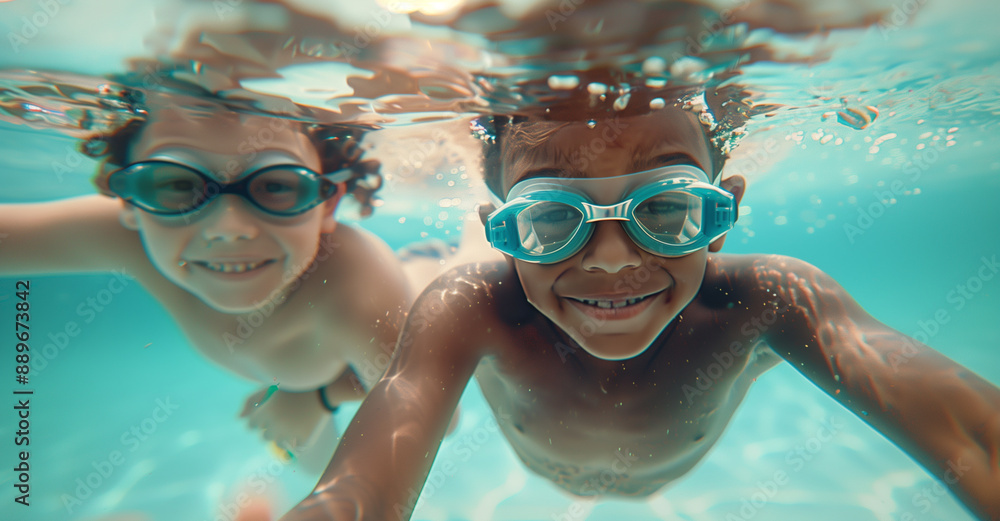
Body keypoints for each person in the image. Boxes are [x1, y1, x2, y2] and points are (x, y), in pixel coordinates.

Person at [276, 92, 1000, 520]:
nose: (614, 258)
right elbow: (376, 461)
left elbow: (974, 434)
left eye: (667, 209)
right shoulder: (475, 306)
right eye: (550, 219)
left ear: (726, 213)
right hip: (484, 275)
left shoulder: (765, 300)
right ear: (508, 228)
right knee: (429, 287)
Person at [0, 90, 410, 456]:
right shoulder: (131, 233)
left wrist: (320, 396)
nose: (229, 229)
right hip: (293, 382)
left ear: (327, 206)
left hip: (402, 300)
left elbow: (433, 421)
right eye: (177, 184)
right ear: (126, 201)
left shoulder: (354, 279)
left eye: (276, 185)